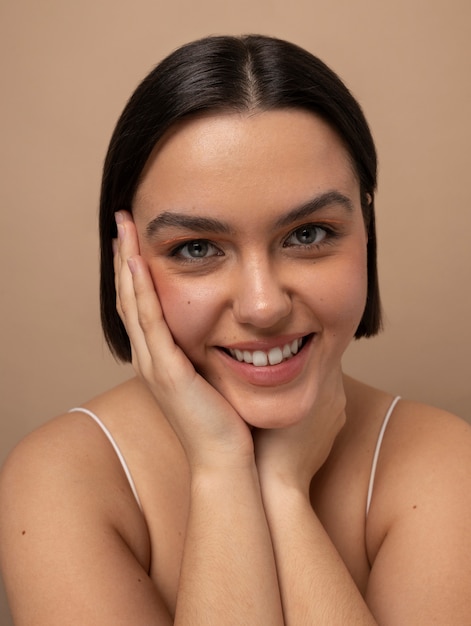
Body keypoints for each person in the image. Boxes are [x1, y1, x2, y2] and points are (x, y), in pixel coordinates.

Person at [0, 34, 470, 625]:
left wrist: (283, 493)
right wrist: (222, 468)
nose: (262, 305)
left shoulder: (444, 463)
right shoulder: (60, 478)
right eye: (197, 247)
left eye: (308, 234)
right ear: (126, 261)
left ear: (367, 232)